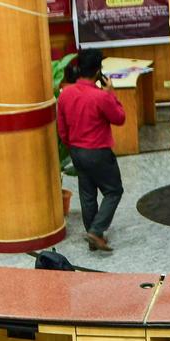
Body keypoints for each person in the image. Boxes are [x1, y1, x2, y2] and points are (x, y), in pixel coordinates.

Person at [56, 49, 126, 252]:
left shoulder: (66, 94)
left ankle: (93, 238)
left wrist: (71, 145)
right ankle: (96, 231)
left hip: (76, 151)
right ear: (98, 72)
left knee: (87, 195)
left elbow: (62, 128)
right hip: (98, 152)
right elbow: (119, 118)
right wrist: (111, 93)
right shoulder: (101, 97)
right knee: (114, 191)